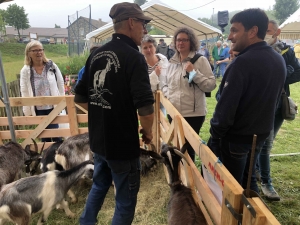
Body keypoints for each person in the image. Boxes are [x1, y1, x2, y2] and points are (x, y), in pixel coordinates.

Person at [74, 2, 154, 225]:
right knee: (125, 201)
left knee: (99, 185)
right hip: (122, 147)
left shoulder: (96, 54)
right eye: (143, 24)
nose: (145, 30)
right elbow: (146, 109)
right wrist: (148, 133)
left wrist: (103, 113)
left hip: (99, 142)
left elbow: (79, 98)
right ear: (131, 22)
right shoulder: (135, 57)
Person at [210, 9, 286, 194]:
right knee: (249, 181)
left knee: (232, 189)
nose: (230, 36)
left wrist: (215, 137)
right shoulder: (278, 59)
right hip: (259, 135)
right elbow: (275, 102)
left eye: (235, 30)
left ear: (252, 31)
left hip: (236, 138)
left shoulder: (241, 63)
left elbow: (225, 109)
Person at [255, 20, 300, 201]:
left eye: (269, 31)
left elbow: (298, 71)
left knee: (267, 142)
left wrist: (285, 74)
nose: (266, 34)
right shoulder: (257, 51)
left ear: (277, 31)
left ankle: (258, 171)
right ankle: (266, 182)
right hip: (264, 103)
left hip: (280, 103)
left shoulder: (286, 51)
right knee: (266, 144)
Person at [163, 26, 216, 162]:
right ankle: (179, 177)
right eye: (178, 40)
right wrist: (168, 96)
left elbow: (210, 85)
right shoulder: (172, 63)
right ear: (174, 42)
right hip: (174, 112)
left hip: (193, 114)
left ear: (191, 42)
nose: (181, 43)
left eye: (184, 40)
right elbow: (165, 84)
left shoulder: (200, 60)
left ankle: (189, 180)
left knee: (187, 151)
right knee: (176, 147)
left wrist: (194, 73)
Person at [20, 40, 64, 142]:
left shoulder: (52, 66)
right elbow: (24, 91)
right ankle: (46, 156)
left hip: (53, 106)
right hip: (38, 108)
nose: (39, 53)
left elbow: (60, 84)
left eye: (40, 50)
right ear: (29, 53)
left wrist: (62, 102)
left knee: (56, 134)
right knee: (44, 135)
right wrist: (27, 111)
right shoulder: (25, 71)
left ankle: (58, 155)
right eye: (35, 50)